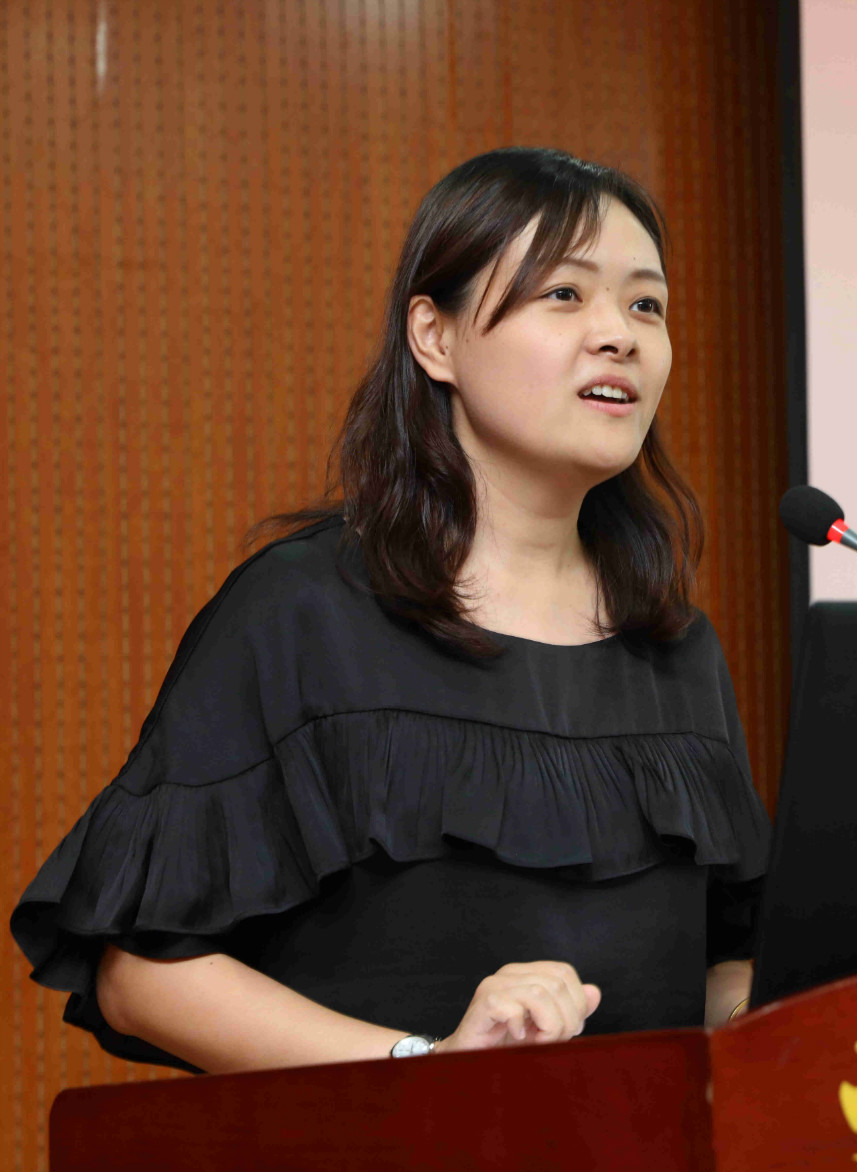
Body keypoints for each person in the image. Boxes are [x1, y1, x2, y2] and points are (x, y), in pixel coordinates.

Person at [8, 147, 771, 1074]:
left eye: (646, 305)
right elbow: (146, 973)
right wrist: (429, 1062)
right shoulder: (302, 613)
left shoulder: (675, 646)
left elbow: (722, 960)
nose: (619, 335)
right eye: (564, 294)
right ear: (434, 337)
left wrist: (766, 1013)